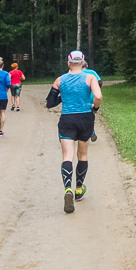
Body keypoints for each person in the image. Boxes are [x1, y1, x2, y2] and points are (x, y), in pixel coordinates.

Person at [50, 51, 102, 213]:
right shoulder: (90, 78)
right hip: (85, 118)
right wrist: (95, 107)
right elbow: (98, 96)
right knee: (83, 155)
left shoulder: (60, 80)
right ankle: (79, 189)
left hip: (67, 119)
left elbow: (50, 103)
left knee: (67, 156)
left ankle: (68, 189)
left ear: (68, 63)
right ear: (83, 62)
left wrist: (63, 97)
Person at [82, 60, 102, 142]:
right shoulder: (92, 72)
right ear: (86, 65)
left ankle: (88, 131)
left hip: (80, 97)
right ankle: (91, 130)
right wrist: (95, 89)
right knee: (90, 114)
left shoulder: (75, 74)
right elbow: (100, 82)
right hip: (91, 96)